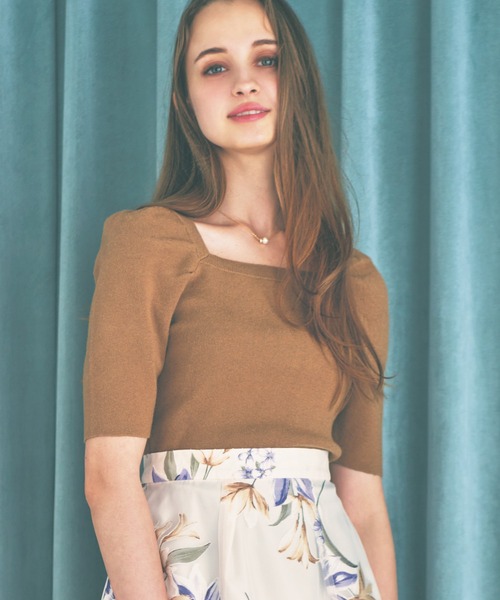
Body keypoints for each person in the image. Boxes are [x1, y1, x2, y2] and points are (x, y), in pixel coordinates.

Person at [83, 0, 398, 598]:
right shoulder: (147, 244)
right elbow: (108, 478)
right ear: (185, 99)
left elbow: (364, 502)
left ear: (298, 76)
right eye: (215, 67)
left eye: (267, 59)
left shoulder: (354, 282)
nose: (244, 82)